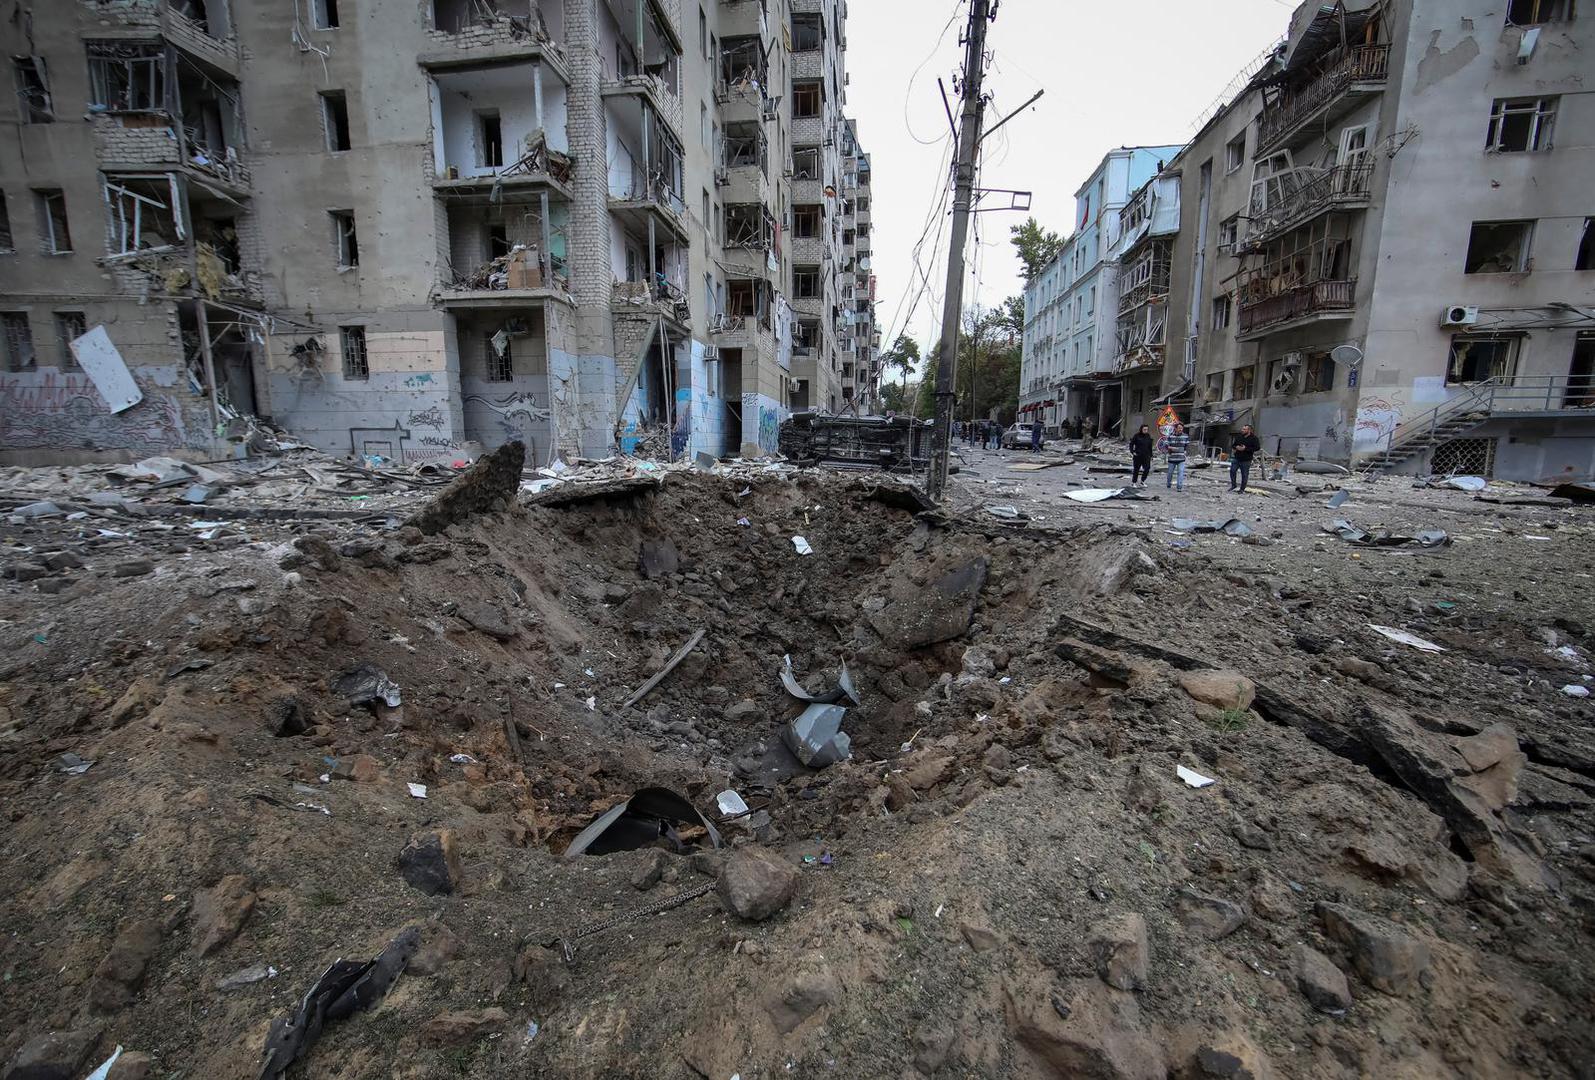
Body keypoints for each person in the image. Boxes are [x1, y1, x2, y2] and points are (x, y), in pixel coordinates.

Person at [1229, 424, 1261, 493]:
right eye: (1242, 429)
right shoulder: (1239, 437)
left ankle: (1242, 489)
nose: (1242, 430)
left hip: (1246, 459)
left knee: (1244, 474)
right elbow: (1233, 445)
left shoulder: (1254, 438)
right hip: (1237, 458)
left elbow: (1257, 448)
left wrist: (1245, 448)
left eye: (1244, 429)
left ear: (1249, 430)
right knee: (1232, 471)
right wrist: (1236, 447)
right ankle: (1233, 485)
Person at [1159, 422, 1190, 492]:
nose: (1180, 429)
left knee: (1181, 472)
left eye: (1181, 428)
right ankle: (1168, 484)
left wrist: (1185, 452)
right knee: (1170, 473)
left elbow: (1187, 446)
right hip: (1172, 458)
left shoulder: (1185, 436)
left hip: (1181, 458)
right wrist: (1171, 448)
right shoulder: (1170, 436)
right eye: (1179, 428)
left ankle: (1179, 487)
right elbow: (1165, 445)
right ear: (1175, 428)